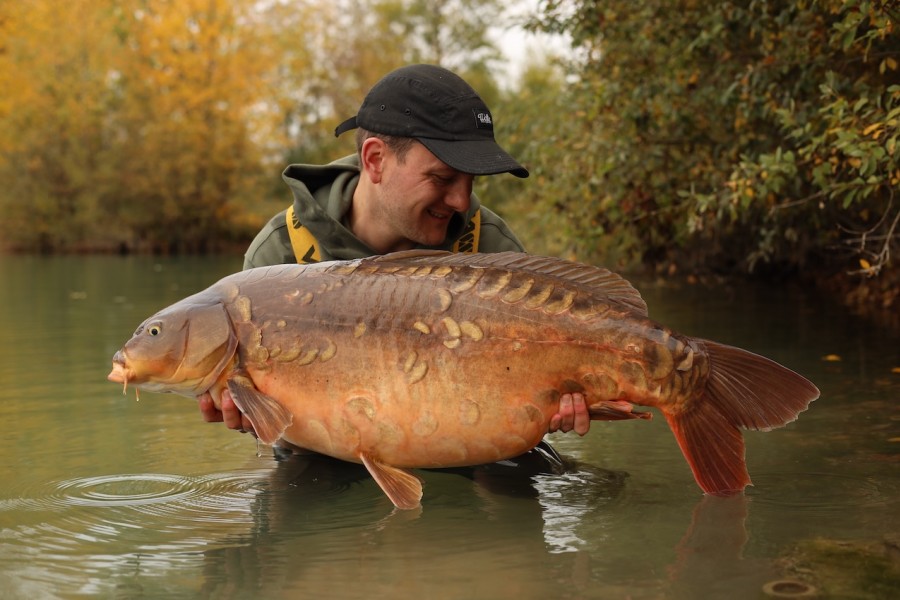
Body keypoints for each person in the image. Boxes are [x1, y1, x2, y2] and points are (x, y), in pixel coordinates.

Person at [197, 64, 590, 467]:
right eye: (442, 178)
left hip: (469, 447)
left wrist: (552, 403)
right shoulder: (279, 254)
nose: (460, 201)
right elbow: (270, 417)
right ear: (375, 160)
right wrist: (253, 412)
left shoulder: (489, 244)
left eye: (471, 181)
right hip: (324, 456)